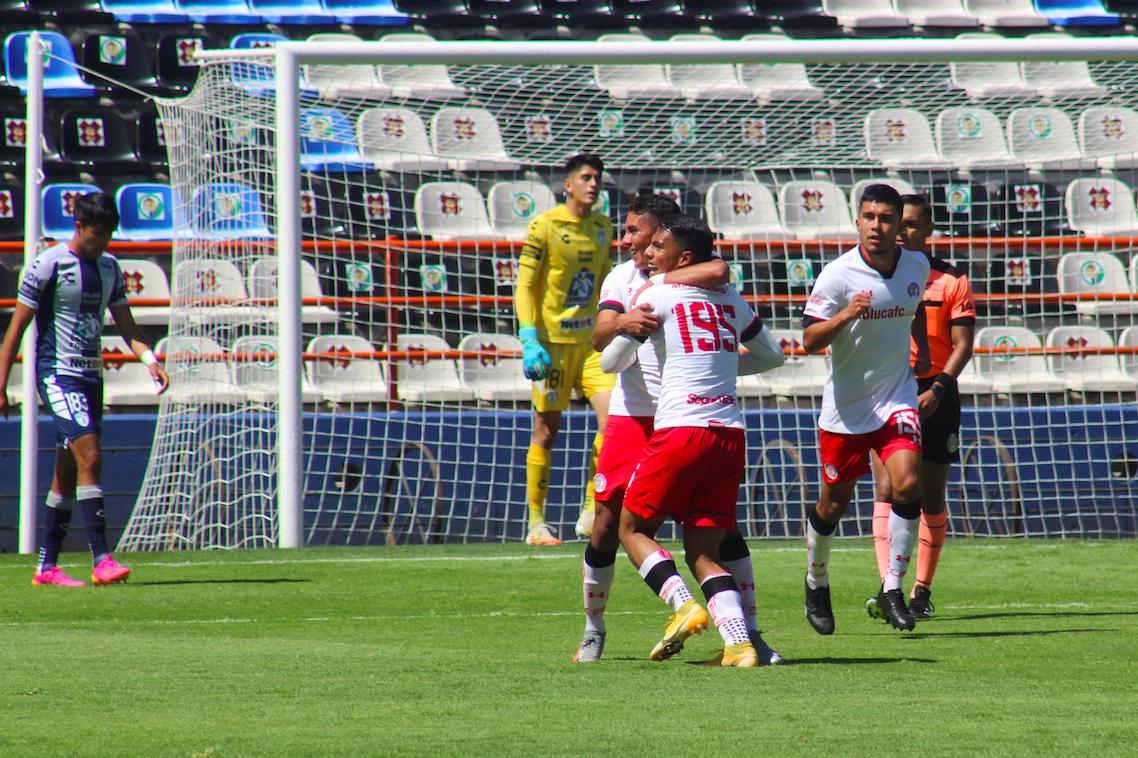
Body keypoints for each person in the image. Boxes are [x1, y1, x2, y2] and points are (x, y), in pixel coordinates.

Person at [574, 194, 782, 666]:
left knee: (649, 529)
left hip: (677, 422)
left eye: (640, 234)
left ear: (664, 237)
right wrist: (718, 367)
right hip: (681, 420)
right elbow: (600, 337)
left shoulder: (660, 287)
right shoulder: (630, 279)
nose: (631, 243)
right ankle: (596, 631)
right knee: (618, 527)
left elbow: (609, 359)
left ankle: (714, 619)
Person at [0, 192, 169, 587]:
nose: (103, 242)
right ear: (78, 228)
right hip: (58, 376)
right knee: (90, 455)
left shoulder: (110, 267)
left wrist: (150, 361)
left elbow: (127, 329)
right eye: (97, 234)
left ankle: (46, 567)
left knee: (68, 470)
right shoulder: (49, 265)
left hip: (92, 378)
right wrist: (1, 382)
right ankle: (102, 559)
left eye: (109, 234)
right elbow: (15, 331)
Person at [800, 183, 931, 634]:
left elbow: (912, 308)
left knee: (909, 483)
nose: (877, 226)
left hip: (896, 396)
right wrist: (845, 315)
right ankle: (816, 582)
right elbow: (809, 340)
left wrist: (924, 353)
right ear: (858, 221)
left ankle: (892, 588)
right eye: (870, 217)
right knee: (833, 505)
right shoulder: (838, 276)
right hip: (846, 410)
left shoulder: (917, 264)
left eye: (886, 218)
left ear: (899, 225)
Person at [865, 194, 975, 621]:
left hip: (937, 393)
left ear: (928, 231)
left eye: (912, 224)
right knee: (887, 489)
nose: (903, 231)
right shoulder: (874, 277)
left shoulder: (950, 280)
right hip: (889, 388)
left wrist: (940, 390)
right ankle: (888, 585)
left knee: (930, 494)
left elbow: (962, 345)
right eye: (900, 223)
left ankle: (921, 590)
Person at [513, 153, 615, 546]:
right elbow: (525, 284)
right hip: (552, 345)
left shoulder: (604, 227)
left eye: (598, 179)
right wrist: (528, 337)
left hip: (592, 346)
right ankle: (537, 524)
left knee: (613, 426)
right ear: (568, 185)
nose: (594, 184)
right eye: (586, 178)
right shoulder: (545, 225)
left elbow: (607, 282)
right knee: (546, 430)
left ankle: (591, 511)